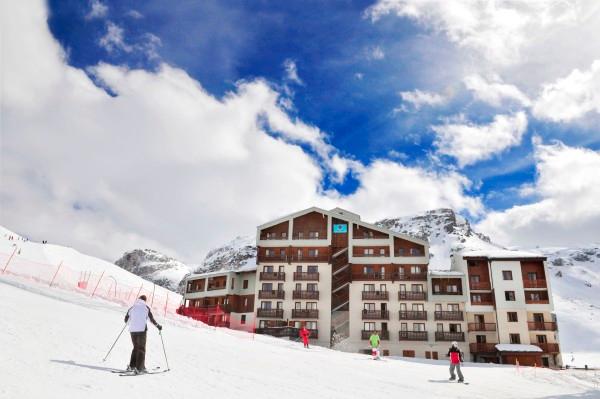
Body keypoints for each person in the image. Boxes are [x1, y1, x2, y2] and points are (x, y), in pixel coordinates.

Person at [124, 295, 162, 373]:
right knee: (141, 348)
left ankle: (132, 366)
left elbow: (126, 320)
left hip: (132, 331)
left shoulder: (132, 307)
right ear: (145, 300)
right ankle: (140, 368)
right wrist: (158, 326)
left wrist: (132, 323)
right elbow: (151, 320)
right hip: (141, 331)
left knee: (136, 347)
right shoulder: (145, 308)